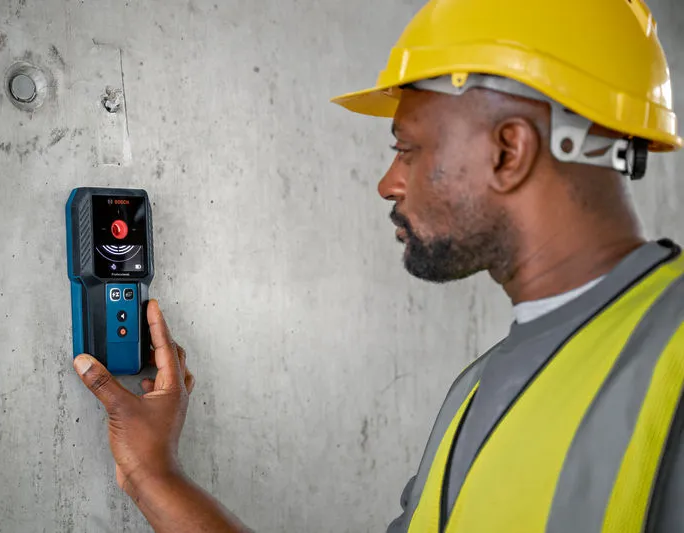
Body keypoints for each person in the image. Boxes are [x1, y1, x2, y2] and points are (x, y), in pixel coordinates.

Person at [72, 0, 684, 530]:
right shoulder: (479, 390)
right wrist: (153, 476)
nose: (388, 183)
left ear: (510, 151)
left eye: (407, 149)